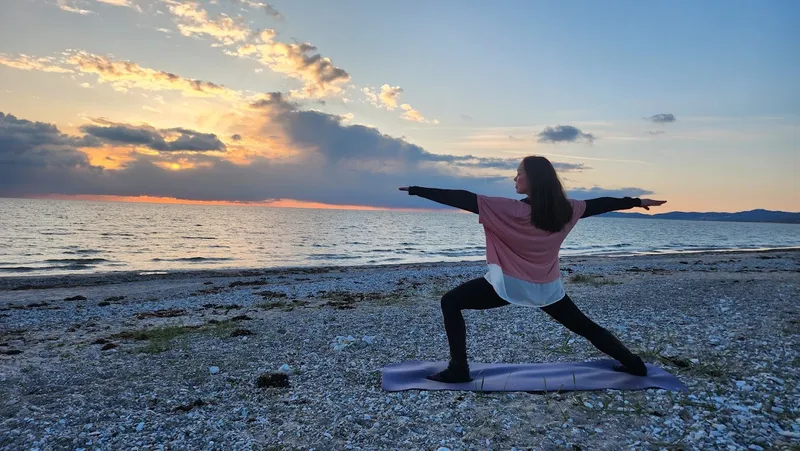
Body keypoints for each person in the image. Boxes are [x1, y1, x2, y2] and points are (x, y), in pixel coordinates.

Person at [399, 155, 667, 383]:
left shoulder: (508, 209)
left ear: (533, 179)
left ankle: (459, 369)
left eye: (518, 174)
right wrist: (635, 201)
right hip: (547, 288)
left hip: (508, 285)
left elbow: (462, 198)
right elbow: (601, 204)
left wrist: (416, 189)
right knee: (585, 327)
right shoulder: (568, 210)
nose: (514, 178)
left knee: (451, 302)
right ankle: (635, 365)